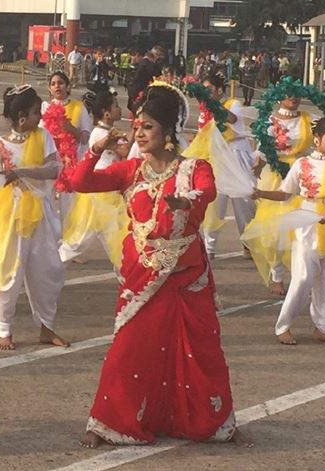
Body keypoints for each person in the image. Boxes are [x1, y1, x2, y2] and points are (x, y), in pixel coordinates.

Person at [71, 83, 249, 449]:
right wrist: (96, 149)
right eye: (137, 125)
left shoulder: (194, 168)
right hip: (143, 278)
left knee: (199, 354)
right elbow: (79, 182)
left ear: (168, 131)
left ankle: (208, 420)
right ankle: (110, 422)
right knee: (130, 350)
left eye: (148, 125)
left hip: (185, 279)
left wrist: (186, 202)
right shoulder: (131, 171)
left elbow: (207, 192)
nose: (139, 131)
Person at [253, 117, 325, 345]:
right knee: (303, 277)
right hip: (308, 223)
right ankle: (283, 326)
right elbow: (286, 193)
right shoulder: (302, 164)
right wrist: (261, 193)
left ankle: (324, 325)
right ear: (317, 139)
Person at [0, 84, 68, 351]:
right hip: (10, 216)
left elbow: (55, 169)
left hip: (40, 215)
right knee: (8, 271)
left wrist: (23, 171)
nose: (39, 118)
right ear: (21, 116)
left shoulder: (43, 137)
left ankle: (47, 327)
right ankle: (4, 329)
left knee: (47, 271)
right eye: (34, 113)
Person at [244, 86, 316, 296]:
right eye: (287, 94)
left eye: (296, 94)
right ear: (279, 97)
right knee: (275, 229)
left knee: (302, 226)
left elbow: (323, 140)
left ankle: (301, 275)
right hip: (275, 174)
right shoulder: (271, 120)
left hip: (302, 173)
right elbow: (263, 148)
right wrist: (257, 164)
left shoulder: (307, 118)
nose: (293, 98)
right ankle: (277, 275)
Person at [59, 89, 129, 268]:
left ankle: (125, 272)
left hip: (109, 188)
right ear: (106, 114)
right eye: (116, 106)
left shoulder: (108, 131)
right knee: (83, 238)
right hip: (100, 190)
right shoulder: (100, 134)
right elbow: (125, 151)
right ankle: (53, 263)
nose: (119, 109)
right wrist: (135, 130)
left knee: (112, 236)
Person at [200, 71, 256, 259]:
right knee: (215, 202)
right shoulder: (205, 109)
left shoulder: (234, 104)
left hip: (236, 153)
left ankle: (248, 243)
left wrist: (212, 105)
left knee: (243, 201)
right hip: (217, 156)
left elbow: (231, 119)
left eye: (209, 89)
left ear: (219, 90)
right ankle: (209, 247)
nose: (205, 93)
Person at [41, 71, 93, 222]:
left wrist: (71, 129)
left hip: (70, 160)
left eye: (61, 83)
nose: (57, 86)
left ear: (68, 87)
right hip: (51, 159)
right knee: (47, 197)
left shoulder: (78, 107)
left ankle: (68, 232)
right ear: (49, 89)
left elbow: (85, 138)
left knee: (68, 201)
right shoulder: (46, 108)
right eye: (53, 84)